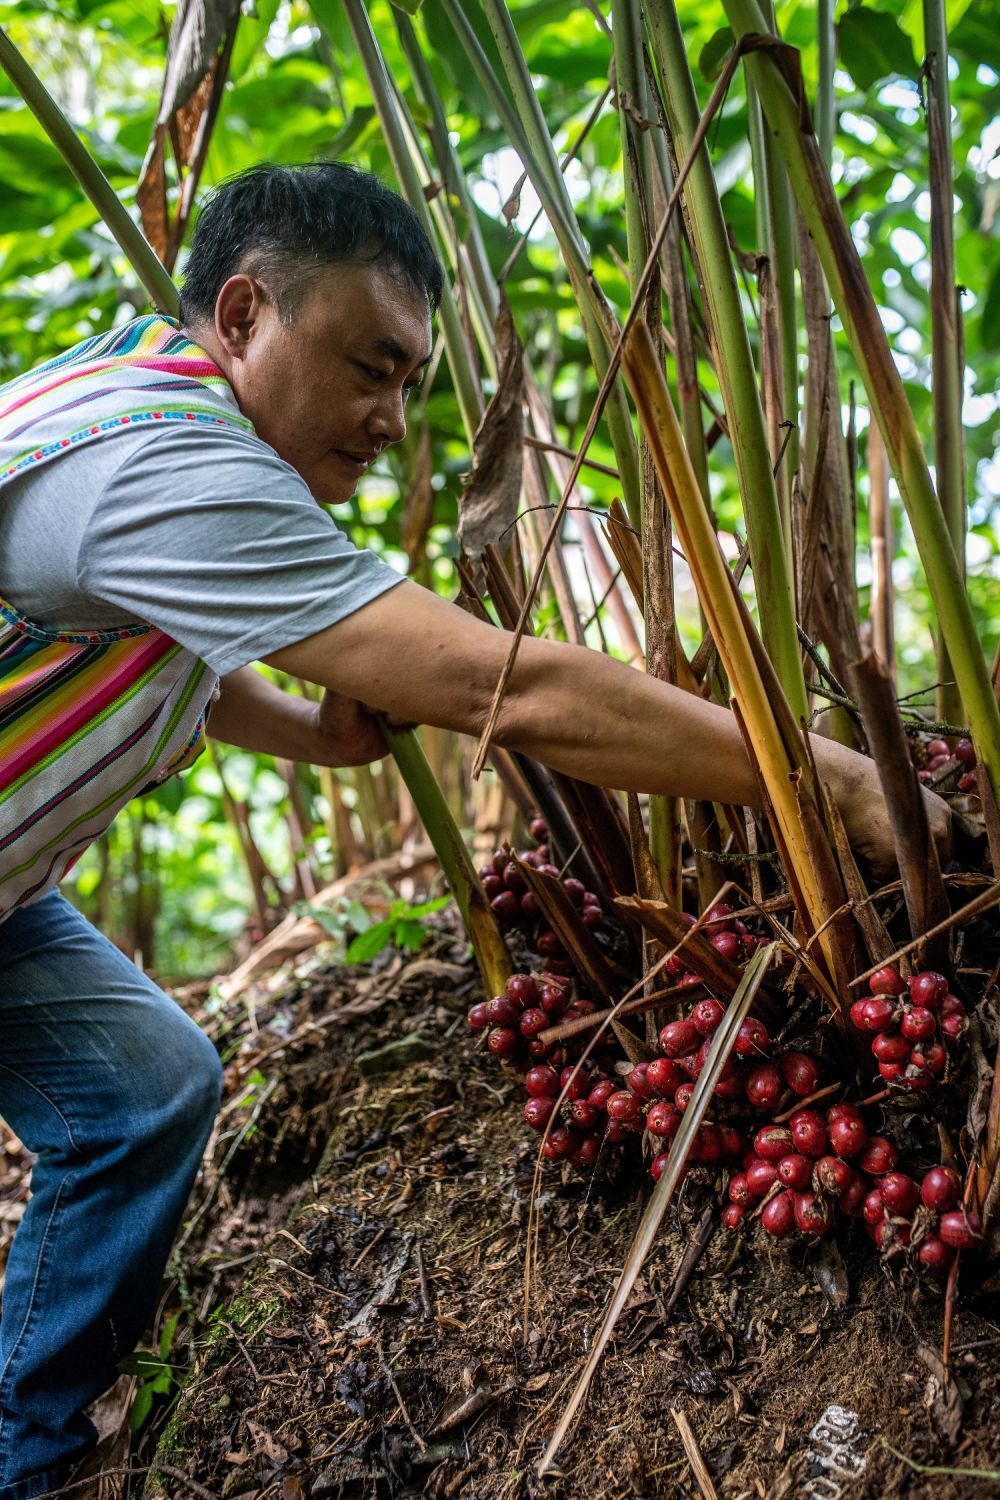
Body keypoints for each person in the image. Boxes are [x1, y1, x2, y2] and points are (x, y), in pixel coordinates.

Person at [0, 162, 949, 1493]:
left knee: (143, 1091)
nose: (394, 420)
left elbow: (143, 644)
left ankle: (28, 1460)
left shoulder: (122, 387)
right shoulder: (167, 465)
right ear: (246, 314)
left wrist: (315, 733)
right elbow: (509, 690)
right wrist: (835, 783)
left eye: (411, 384)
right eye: (371, 367)